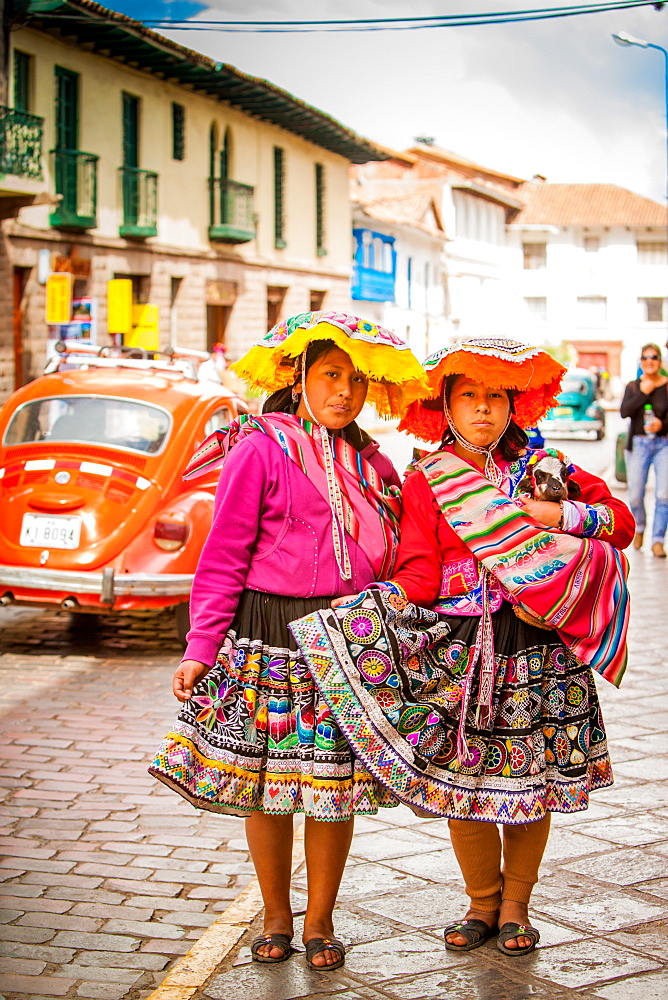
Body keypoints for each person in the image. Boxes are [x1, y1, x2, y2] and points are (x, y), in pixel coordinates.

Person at [291, 337, 633, 959]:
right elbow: (420, 569)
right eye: (469, 396)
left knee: (535, 780)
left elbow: (622, 522)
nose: (483, 409)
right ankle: (480, 901)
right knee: (466, 780)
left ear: (514, 405)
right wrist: (374, 604)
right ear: (444, 407)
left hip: (538, 645)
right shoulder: (429, 478)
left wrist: (562, 519)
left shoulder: (545, 468)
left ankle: (517, 906)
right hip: (460, 649)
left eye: (495, 397)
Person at [149, 311, 426, 971]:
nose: (345, 392)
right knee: (267, 786)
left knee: (333, 791)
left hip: (346, 642)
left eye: (357, 381)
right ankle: (277, 915)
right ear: (299, 376)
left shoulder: (375, 463)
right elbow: (222, 557)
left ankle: (322, 919)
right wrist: (199, 647)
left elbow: (399, 557)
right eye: (331, 376)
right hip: (266, 636)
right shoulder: (260, 448)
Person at [621, 343, 668, 557]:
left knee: (663, 494)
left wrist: (662, 426)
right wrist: (644, 392)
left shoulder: (667, 386)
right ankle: (639, 527)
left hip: (663, 444)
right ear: (641, 361)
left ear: (660, 361)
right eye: (646, 357)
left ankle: (657, 540)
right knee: (636, 496)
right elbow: (625, 412)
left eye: (654, 357)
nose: (650, 361)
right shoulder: (633, 386)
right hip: (638, 444)